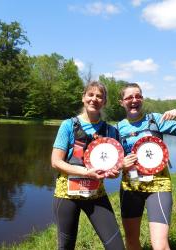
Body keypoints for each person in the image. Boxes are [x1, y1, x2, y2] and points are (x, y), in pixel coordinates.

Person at [117, 83, 176, 250]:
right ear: (121, 102)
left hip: (158, 185)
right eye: (129, 97)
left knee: (159, 245)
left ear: (142, 99)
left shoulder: (156, 119)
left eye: (138, 96)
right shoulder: (117, 128)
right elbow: (112, 163)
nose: (134, 100)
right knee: (131, 241)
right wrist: (121, 164)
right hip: (130, 186)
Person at [51, 81, 125, 250]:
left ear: (104, 101)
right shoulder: (68, 125)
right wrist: (86, 172)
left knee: (116, 246)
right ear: (83, 98)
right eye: (90, 95)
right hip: (66, 194)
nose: (94, 99)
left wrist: (114, 172)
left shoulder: (111, 131)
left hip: (96, 194)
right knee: (66, 246)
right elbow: (55, 161)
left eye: (99, 96)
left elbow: (115, 166)